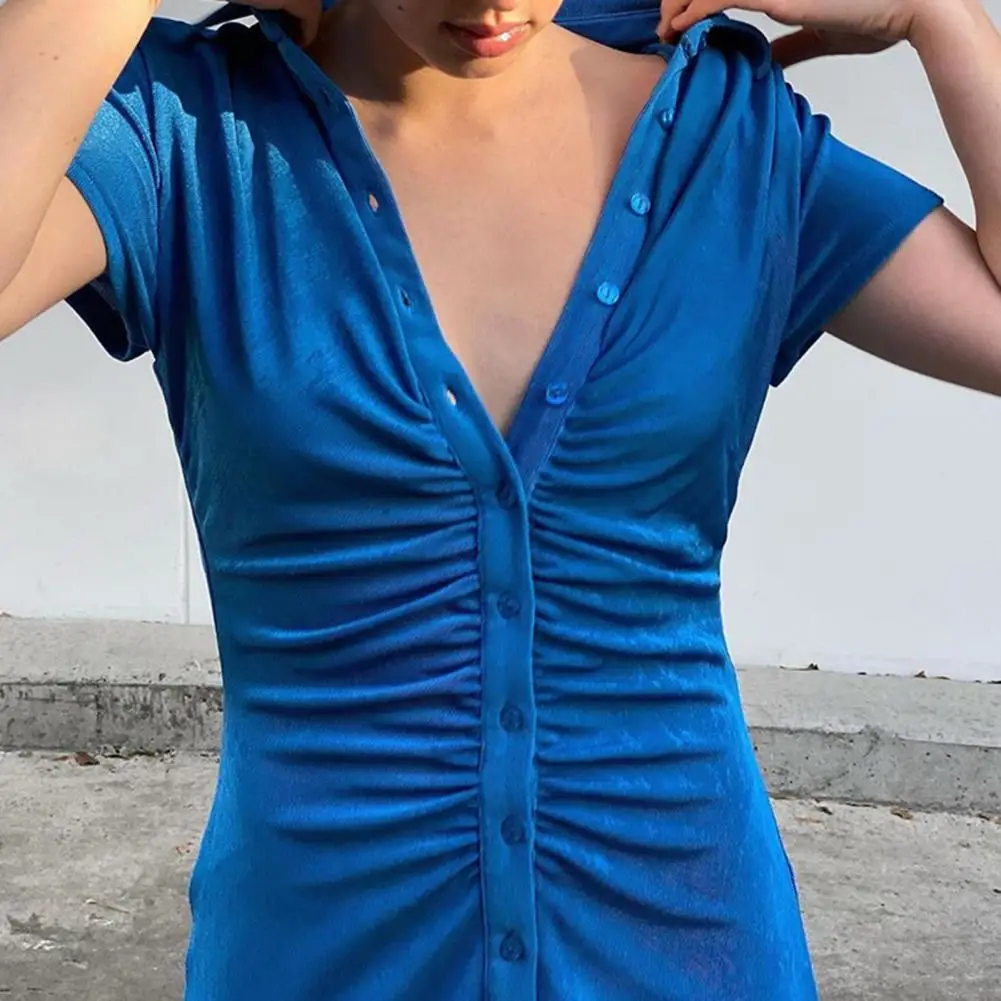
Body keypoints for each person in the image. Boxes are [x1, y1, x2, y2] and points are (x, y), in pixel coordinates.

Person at [1, 0, 999, 998]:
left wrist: (937, 17)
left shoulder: (727, 142)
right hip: (316, 946)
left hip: (691, 938)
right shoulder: (186, 133)